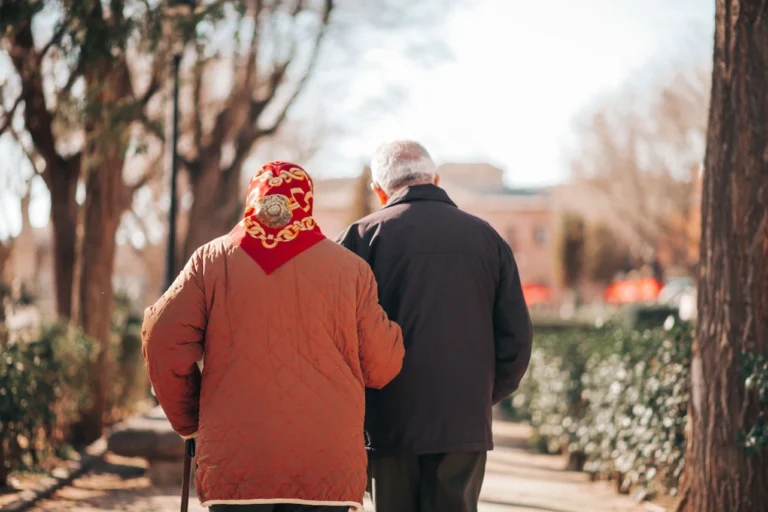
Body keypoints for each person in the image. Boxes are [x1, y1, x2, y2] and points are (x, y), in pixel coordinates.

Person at [142, 161, 405, 512]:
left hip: (235, 462)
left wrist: (191, 421)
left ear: (253, 199)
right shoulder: (351, 269)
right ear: (305, 202)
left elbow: (161, 340)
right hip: (325, 464)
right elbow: (383, 366)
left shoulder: (210, 261)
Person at [336, 141, 533, 512]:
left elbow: (337, 336)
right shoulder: (488, 238)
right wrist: (479, 395)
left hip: (386, 420)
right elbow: (517, 340)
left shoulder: (358, 239)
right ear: (435, 179)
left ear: (380, 191)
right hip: (463, 420)